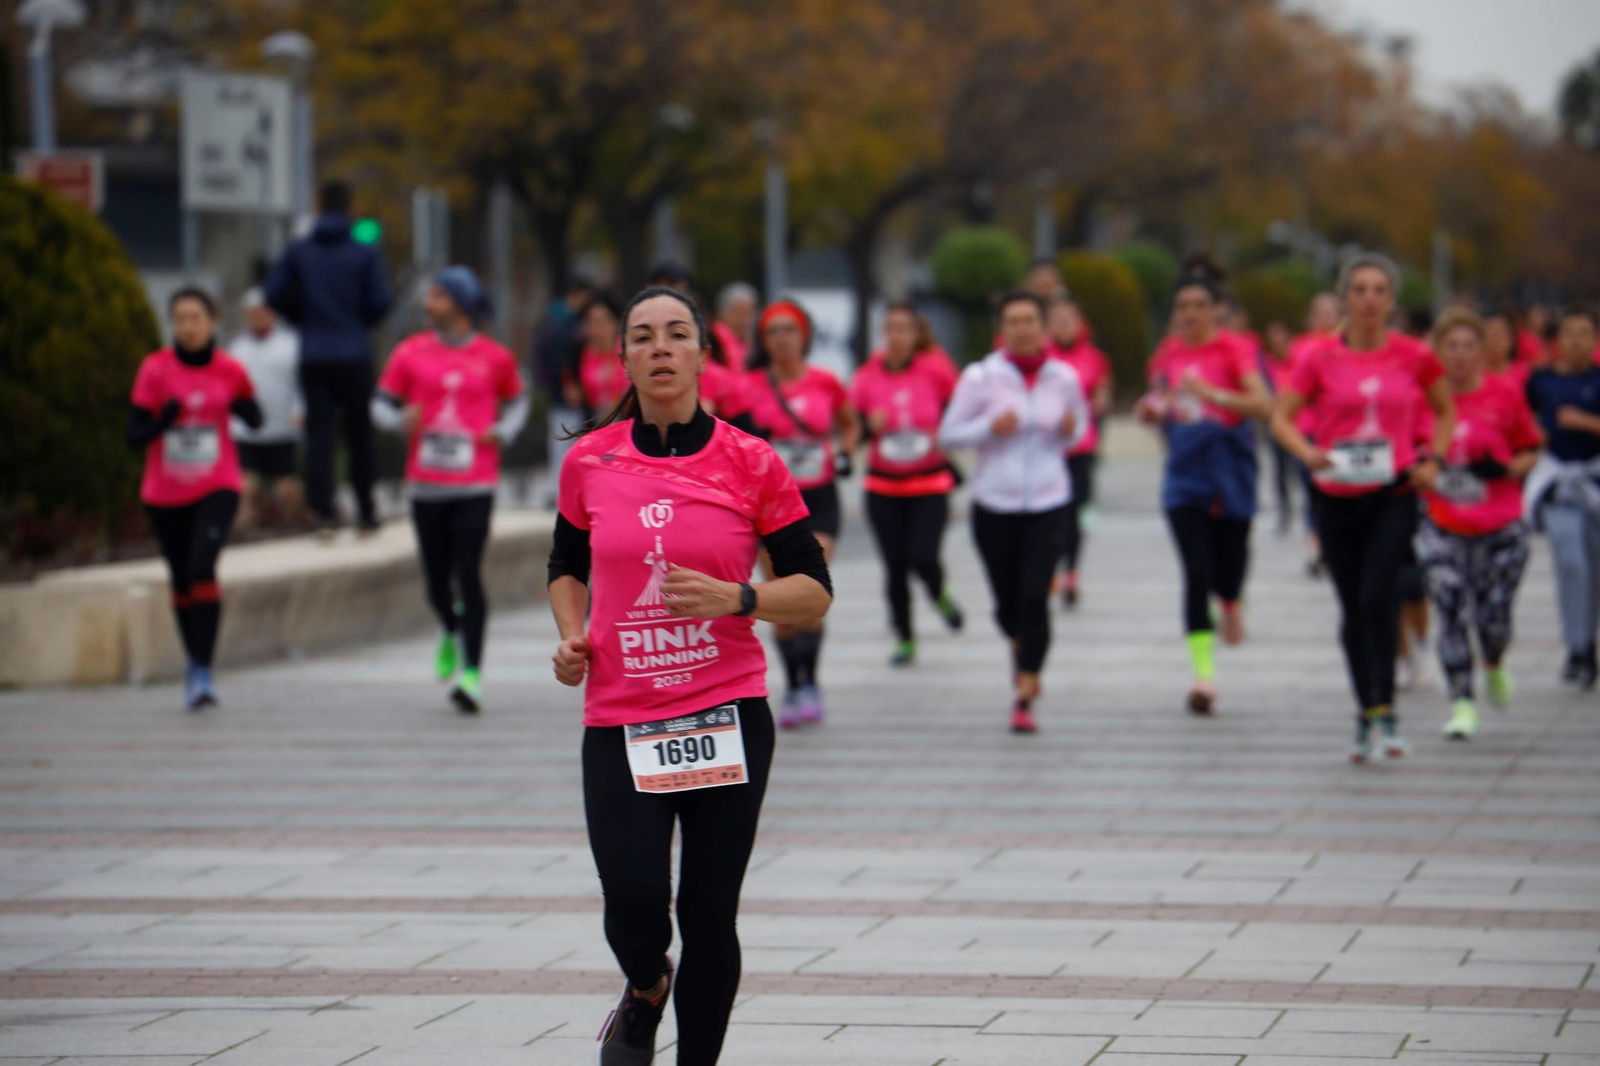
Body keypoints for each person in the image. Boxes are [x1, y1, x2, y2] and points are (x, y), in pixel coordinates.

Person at [547, 286, 831, 1066]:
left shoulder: (750, 460)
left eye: (678, 334)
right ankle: (645, 989)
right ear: (625, 358)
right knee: (635, 905)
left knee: (710, 912)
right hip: (622, 714)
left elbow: (814, 591)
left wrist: (740, 597)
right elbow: (565, 566)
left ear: (705, 354)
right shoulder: (590, 461)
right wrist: (573, 637)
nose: (661, 347)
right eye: (644, 336)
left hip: (726, 711)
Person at [1271, 252, 1454, 763]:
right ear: (1345, 298)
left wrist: (1433, 461)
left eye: (1379, 290)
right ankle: (1366, 710)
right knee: (1353, 606)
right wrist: (1308, 452)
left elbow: (1444, 409)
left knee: (1379, 592)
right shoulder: (1318, 357)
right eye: (1360, 290)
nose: (1370, 299)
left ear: (1391, 300)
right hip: (1335, 495)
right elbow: (1280, 418)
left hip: (1393, 491)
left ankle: (1387, 707)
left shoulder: (1414, 355)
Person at [371, 267, 527, 714]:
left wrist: (505, 430)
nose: (428, 304)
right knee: (436, 581)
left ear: (459, 303)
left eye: (437, 296)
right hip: (426, 485)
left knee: (469, 573)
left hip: (476, 481)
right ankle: (448, 627)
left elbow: (516, 400)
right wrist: (397, 421)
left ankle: (472, 675)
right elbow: (378, 403)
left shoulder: (494, 357)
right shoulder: (410, 352)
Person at [940, 291, 1088, 734]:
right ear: (1002, 329)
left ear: (1044, 327)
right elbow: (948, 435)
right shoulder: (981, 377)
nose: (1022, 328)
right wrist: (988, 427)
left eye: (1030, 320)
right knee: (1007, 607)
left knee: (1033, 596)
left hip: (1049, 501)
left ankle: (1026, 688)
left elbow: (1079, 428)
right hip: (994, 505)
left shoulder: (1064, 377)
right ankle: (1021, 646)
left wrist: (1069, 429)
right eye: (1013, 321)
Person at [1137, 259, 1272, 715]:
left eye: (1199, 305)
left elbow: (1263, 405)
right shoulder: (1169, 354)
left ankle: (1231, 601)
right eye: (1182, 306)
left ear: (1216, 309)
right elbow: (1158, 395)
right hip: (1185, 480)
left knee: (1228, 569)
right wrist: (1151, 410)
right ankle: (1204, 676)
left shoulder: (1235, 350)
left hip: (1231, 476)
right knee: (1196, 574)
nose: (1191, 314)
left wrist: (1212, 394)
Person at [126, 288, 262, 710]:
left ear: (213, 320)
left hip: (217, 483)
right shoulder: (155, 369)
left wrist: (243, 410)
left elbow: (254, 417)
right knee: (182, 577)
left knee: (202, 566)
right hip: (165, 491)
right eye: (180, 319)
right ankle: (194, 662)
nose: (187, 327)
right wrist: (163, 420)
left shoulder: (229, 369)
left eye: (195, 318)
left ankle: (202, 669)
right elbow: (133, 436)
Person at [1413, 309, 1540, 740]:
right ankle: (1462, 701)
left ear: (1483, 351)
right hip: (1443, 524)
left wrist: (1507, 468)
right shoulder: (1424, 400)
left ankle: (1494, 661)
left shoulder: (1504, 395)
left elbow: (1531, 449)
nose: (1461, 355)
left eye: (1470, 346)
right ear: (1438, 353)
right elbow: (1409, 451)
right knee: (1448, 605)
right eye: (1452, 347)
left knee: (1493, 616)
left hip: (1500, 525)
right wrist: (1422, 472)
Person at [742, 299, 859, 728]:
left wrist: (846, 450)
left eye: (791, 330)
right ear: (765, 340)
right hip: (770, 506)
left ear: (804, 336)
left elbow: (850, 423)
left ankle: (811, 681)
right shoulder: (750, 387)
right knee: (779, 596)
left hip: (818, 499)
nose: (783, 339)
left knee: (811, 587)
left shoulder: (826, 383)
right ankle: (793, 684)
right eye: (775, 331)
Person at [264, 180, 393, 539]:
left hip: (314, 353)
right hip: (354, 353)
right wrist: (357, 324)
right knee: (359, 435)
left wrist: (301, 316)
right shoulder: (364, 252)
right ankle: (366, 510)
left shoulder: (300, 250)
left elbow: (272, 292)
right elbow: (381, 302)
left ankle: (323, 512)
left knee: (319, 434)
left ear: (319, 206)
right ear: (349, 207)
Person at [850, 301, 965, 666]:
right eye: (891, 329)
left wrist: (945, 433)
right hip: (883, 487)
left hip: (929, 483)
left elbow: (961, 407)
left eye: (904, 329)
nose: (897, 336)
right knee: (895, 566)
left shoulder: (936, 369)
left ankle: (938, 592)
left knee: (923, 556)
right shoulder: (867, 376)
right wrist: (869, 426)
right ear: (883, 334)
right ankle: (905, 638)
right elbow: (850, 428)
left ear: (916, 333)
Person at [1523, 305, 1600, 689]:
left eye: (1584, 333)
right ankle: (1577, 646)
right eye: (1568, 333)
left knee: (1595, 568)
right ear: (1557, 341)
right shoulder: (1539, 381)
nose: (1576, 342)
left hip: (1595, 480)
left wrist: (1585, 422)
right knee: (1571, 563)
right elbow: (1520, 420)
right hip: (1559, 485)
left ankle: (1589, 639)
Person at [1047, 296, 1113, 607]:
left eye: (1068, 319)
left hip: (1080, 447)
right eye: (1056, 320)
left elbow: (1102, 391)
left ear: (1079, 323)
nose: (1062, 325)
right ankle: (1049, 567)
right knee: (1051, 515)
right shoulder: (1042, 357)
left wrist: (1099, 401)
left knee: (1074, 515)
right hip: (1047, 449)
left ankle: (1071, 570)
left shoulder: (1093, 357)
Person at [228, 288, 304, 531]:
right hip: (247, 432)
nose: (256, 316)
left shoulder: (291, 345)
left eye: (261, 311)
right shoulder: (238, 349)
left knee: (286, 489)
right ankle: (244, 537)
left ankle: (299, 527)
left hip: (282, 429)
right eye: (252, 313)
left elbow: (299, 385)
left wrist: (299, 410)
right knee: (244, 488)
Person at [532, 275, 594, 507]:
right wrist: (569, 384)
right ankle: (558, 491)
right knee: (564, 443)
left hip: (559, 393)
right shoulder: (564, 323)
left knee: (562, 443)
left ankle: (559, 490)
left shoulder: (554, 318)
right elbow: (562, 360)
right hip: (565, 394)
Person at [1261, 319, 1299, 534]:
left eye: (1279, 334)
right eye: (1272, 335)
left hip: (1298, 424)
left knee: (1298, 470)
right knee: (1280, 470)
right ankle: (1285, 510)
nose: (1276, 340)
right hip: (1275, 424)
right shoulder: (1267, 363)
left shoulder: (1296, 361)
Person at [579, 292, 631, 419]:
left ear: (615, 323)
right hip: (592, 419)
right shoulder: (583, 351)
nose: (596, 328)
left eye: (601, 321)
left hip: (625, 418)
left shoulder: (627, 350)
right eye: (591, 321)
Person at [713, 283, 757, 371]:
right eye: (739, 313)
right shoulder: (714, 341)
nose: (745, 320)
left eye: (749, 313)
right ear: (723, 313)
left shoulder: (756, 341)